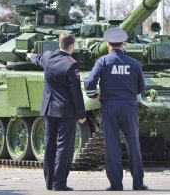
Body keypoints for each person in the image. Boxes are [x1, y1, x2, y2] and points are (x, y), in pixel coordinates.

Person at [84, 27, 148, 191]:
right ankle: (138, 183)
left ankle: (116, 184)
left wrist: (94, 96)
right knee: (133, 143)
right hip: (128, 106)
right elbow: (141, 87)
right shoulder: (134, 63)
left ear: (108, 44)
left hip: (109, 106)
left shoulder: (103, 61)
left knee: (112, 145)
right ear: (123, 44)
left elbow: (89, 83)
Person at [26, 33, 86, 191]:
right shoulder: (71, 64)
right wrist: (81, 114)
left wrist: (30, 56)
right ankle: (59, 183)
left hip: (49, 109)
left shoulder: (47, 57)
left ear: (59, 44)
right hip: (66, 112)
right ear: (71, 46)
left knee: (50, 145)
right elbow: (76, 93)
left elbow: (37, 58)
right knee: (64, 147)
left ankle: (49, 182)